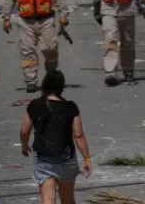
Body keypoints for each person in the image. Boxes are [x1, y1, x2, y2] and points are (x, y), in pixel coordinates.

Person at [20, 70, 92, 204]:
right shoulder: (70, 107)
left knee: (48, 199)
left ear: (44, 85)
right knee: (68, 199)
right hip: (67, 159)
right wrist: (86, 158)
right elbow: (78, 135)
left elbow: (24, 131)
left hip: (44, 160)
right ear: (62, 87)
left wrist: (24, 145)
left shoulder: (36, 105)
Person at [4, 0, 69, 92]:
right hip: (26, 21)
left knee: (50, 48)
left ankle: (51, 72)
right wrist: (6, 18)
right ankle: (31, 81)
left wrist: (63, 14)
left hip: (46, 19)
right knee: (27, 51)